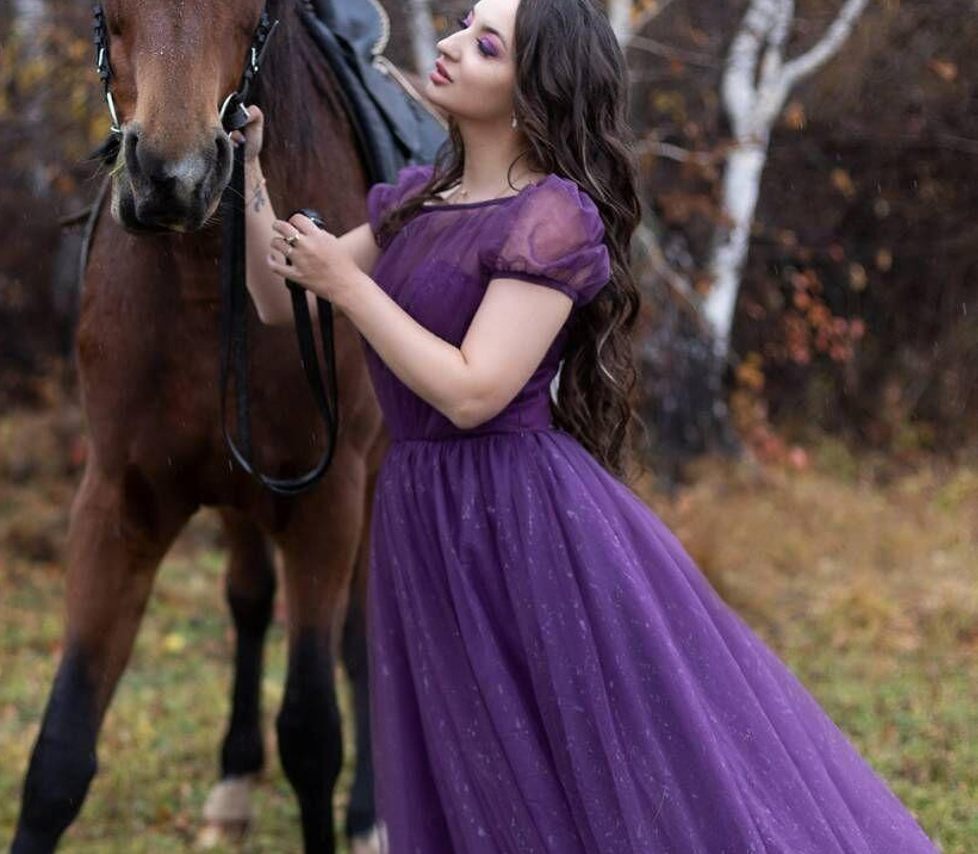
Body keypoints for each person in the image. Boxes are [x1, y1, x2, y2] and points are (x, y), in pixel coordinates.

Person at [230, 0, 945, 850]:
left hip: (522, 522)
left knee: (579, 763)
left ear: (532, 88)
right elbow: (276, 299)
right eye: (461, 25)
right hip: (425, 513)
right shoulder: (423, 201)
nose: (454, 45)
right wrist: (249, 170)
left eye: (485, 44)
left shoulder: (551, 216)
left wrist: (349, 288)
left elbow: (473, 391)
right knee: (476, 754)